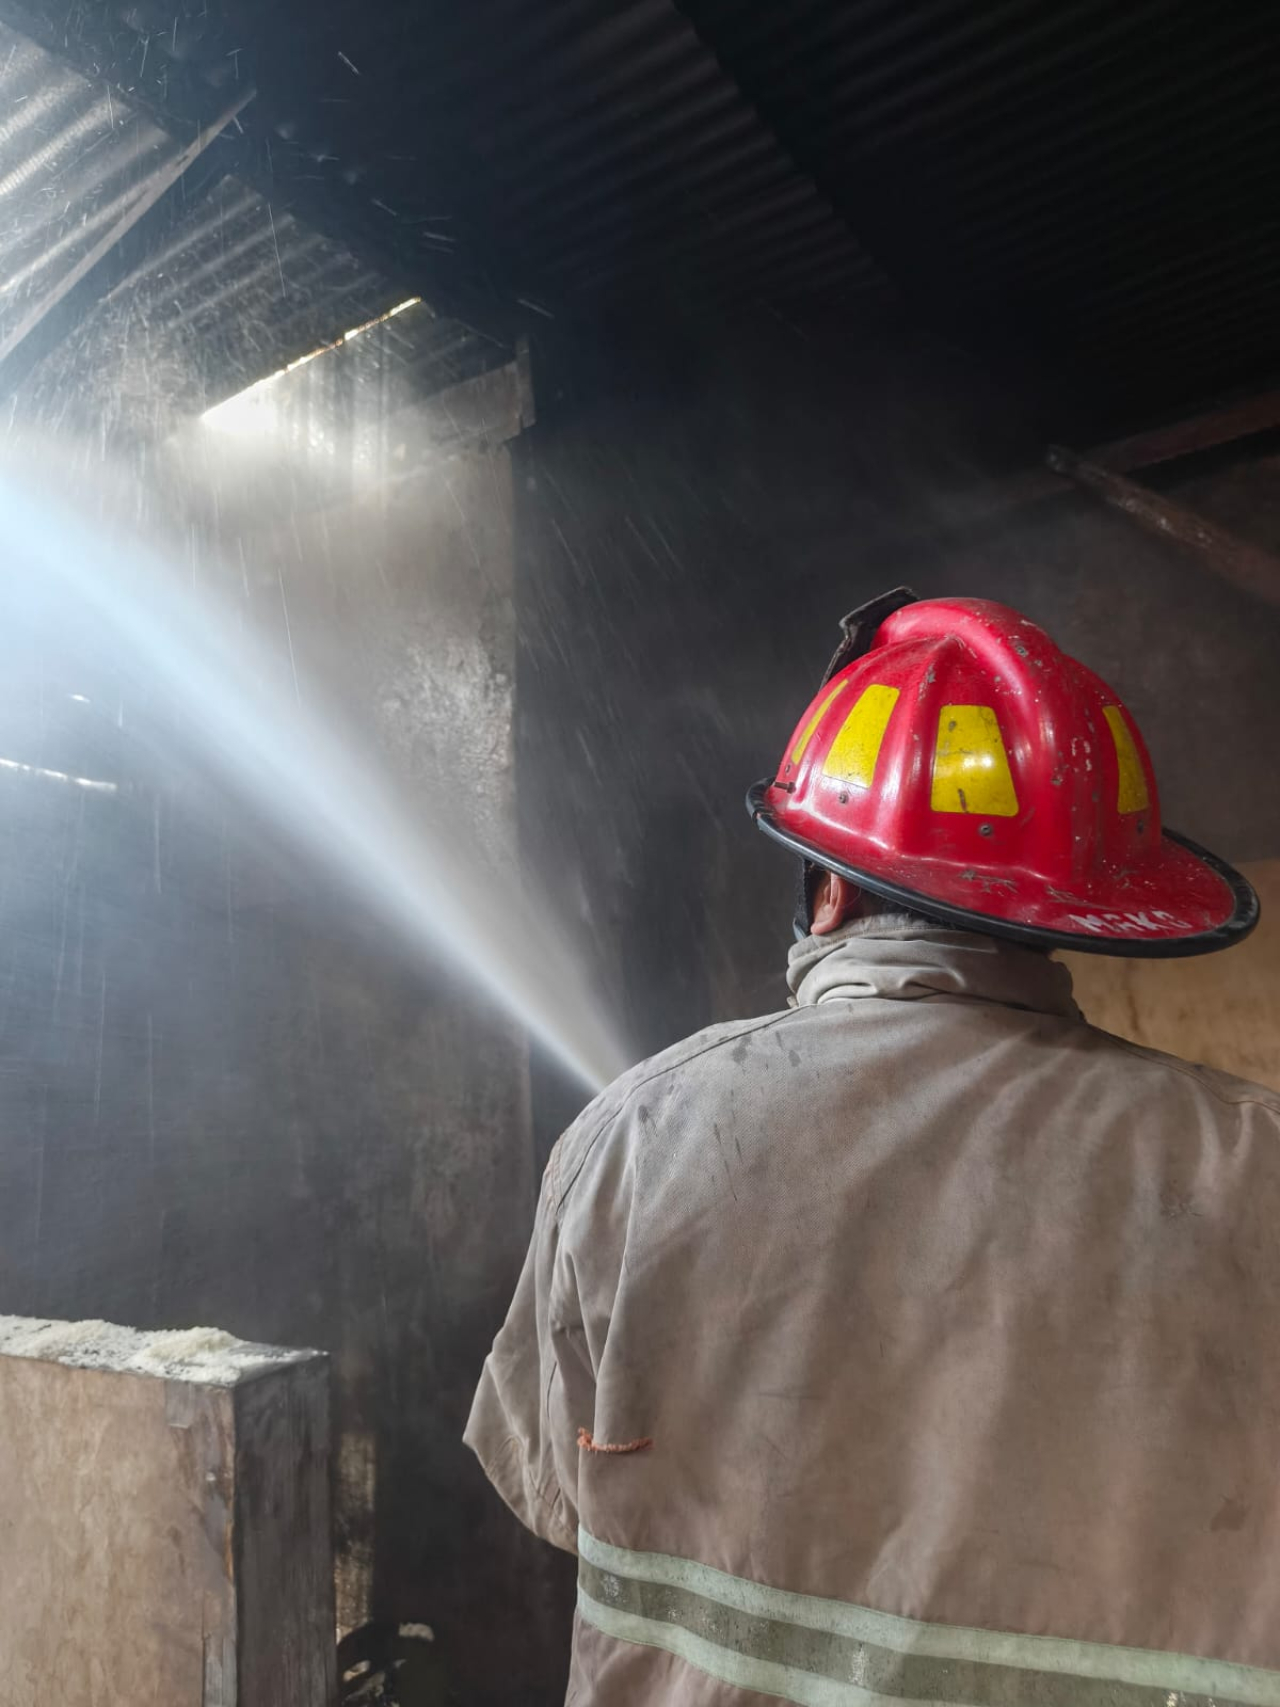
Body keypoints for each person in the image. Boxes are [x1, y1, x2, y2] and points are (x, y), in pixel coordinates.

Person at [466, 591, 1280, 1707]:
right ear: (1084, 911)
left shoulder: (635, 1133)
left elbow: (558, 1493)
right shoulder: (1254, 1166)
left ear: (830, 884)